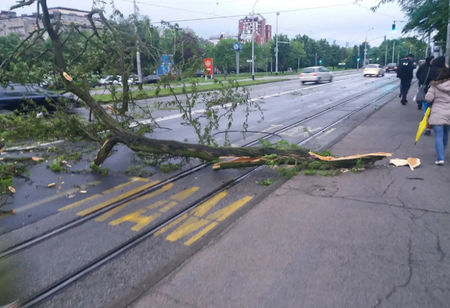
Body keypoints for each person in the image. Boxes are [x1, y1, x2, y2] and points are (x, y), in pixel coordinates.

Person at [424, 67, 450, 165]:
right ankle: (441, 152)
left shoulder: (435, 86)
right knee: (446, 134)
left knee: (438, 136)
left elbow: (428, 99)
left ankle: (440, 158)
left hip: (438, 113)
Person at [420, 56, 446, 135]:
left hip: (429, 93)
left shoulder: (429, 70)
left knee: (428, 111)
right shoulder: (446, 71)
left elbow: (421, 79)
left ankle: (428, 128)